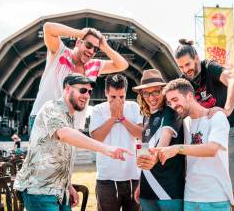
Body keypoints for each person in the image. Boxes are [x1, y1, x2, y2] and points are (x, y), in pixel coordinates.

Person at [14, 73, 131, 211]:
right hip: (40, 190)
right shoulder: (51, 107)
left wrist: (68, 186)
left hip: (59, 192)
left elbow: (61, 157)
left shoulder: (69, 118)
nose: (86, 95)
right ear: (68, 88)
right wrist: (106, 149)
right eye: (82, 90)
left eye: (89, 92)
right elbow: (63, 134)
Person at [173, 39, 234, 210]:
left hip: (229, 128)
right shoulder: (184, 80)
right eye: (181, 67)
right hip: (204, 131)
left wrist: (225, 111)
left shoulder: (210, 67)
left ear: (196, 57)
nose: (185, 70)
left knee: (232, 176)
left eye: (188, 64)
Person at [29, 22, 129, 132]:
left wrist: (105, 47)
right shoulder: (60, 52)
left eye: (95, 49)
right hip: (44, 118)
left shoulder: (94, 65)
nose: (91, 51)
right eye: (88, 45)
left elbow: (122, 65)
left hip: (72, 126)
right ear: (78, 42)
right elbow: (48, 28)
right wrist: (79, 33)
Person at [155, 78, 233, 211]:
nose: (173, 106)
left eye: (175, 99)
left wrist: (176, 149)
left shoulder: (216, 117)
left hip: (215, 197)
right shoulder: (184, 123)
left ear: (189, 96)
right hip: (190, 198)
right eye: (170, 102)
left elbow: (211, 149)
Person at [133, 69, 185, 211]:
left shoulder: (171, 112)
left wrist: (155, 157)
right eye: (146, 93)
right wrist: (140, 183)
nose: (151, 97)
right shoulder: (145, 117)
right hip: (147, 191)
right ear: (141, 95)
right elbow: (143, 153)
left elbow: (165, 139)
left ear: (163, 91)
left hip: (169, 191)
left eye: (156, 92)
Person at [89, 74, 143, 211]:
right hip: (107, 178)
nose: (118, 101)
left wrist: (123, 118)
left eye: (122, 97)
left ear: (126, 93)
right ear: (106, 93)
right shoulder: (98, 110)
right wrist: (113, 118)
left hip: (132, 176)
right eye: (113, 97)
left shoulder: (134, 107)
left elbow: (141, 134)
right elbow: (96, 139)